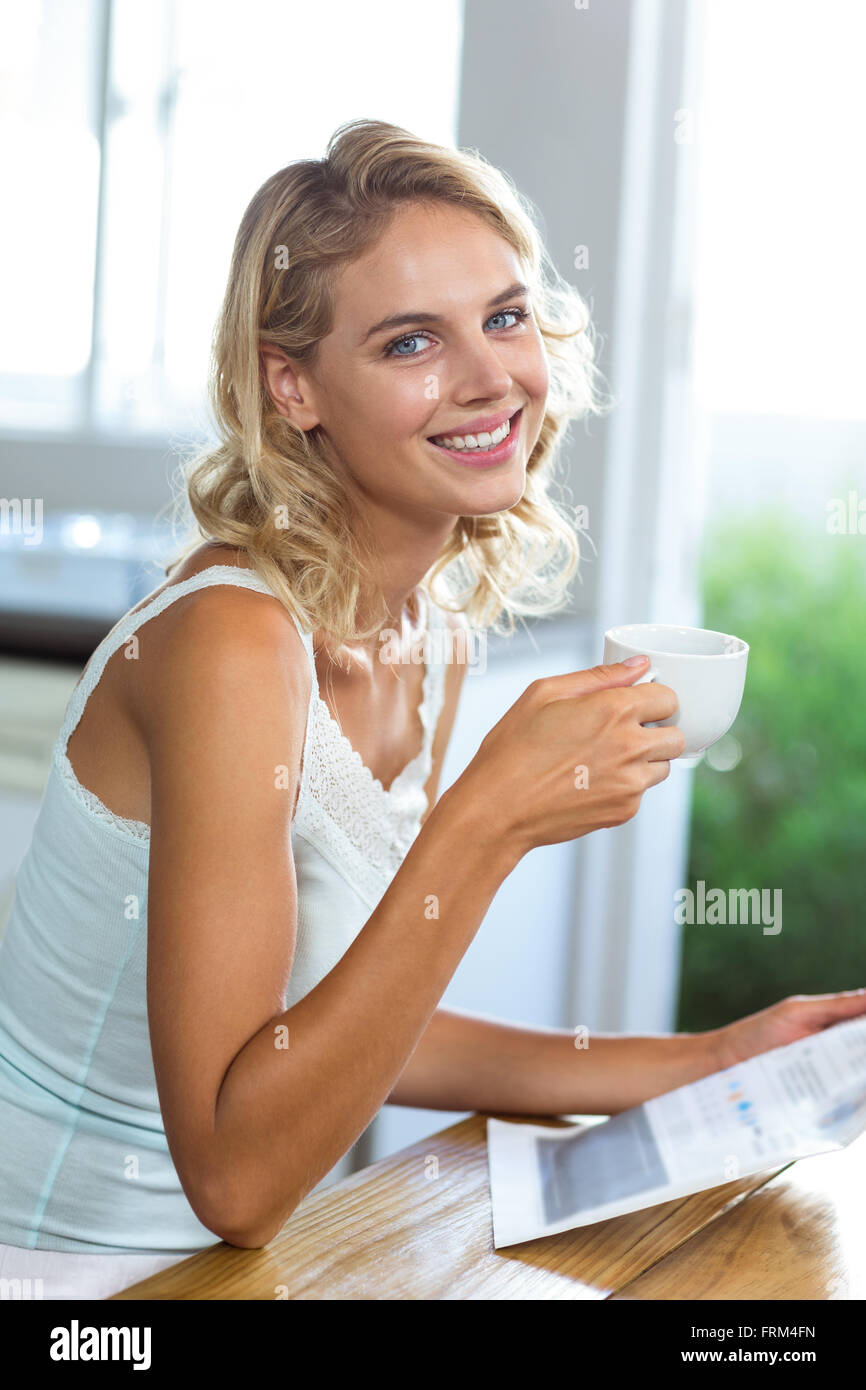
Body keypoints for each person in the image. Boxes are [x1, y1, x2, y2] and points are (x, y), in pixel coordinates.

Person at [1, 118, 863, 1302]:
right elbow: (236, 1178)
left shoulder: (431, 633)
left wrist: (709, 1061)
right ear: (290, 384)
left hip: (243, 1270)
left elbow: (335, 1029)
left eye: (504, 317)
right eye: (412, 341)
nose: (486, 378)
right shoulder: (232, 644)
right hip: (70, 1281)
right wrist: (488, 816)